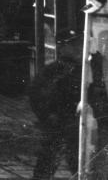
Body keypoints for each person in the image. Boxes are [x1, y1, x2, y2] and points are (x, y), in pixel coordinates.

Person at [28, 31, 82, 179]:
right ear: (62, 47)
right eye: (72, 45)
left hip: (74, 121)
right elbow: (36, 94)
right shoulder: (53, 70)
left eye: (77, 44)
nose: (77, 48)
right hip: (57, 121)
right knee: (49, 158)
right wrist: (47, 115)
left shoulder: (82, 68)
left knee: (77, 159)